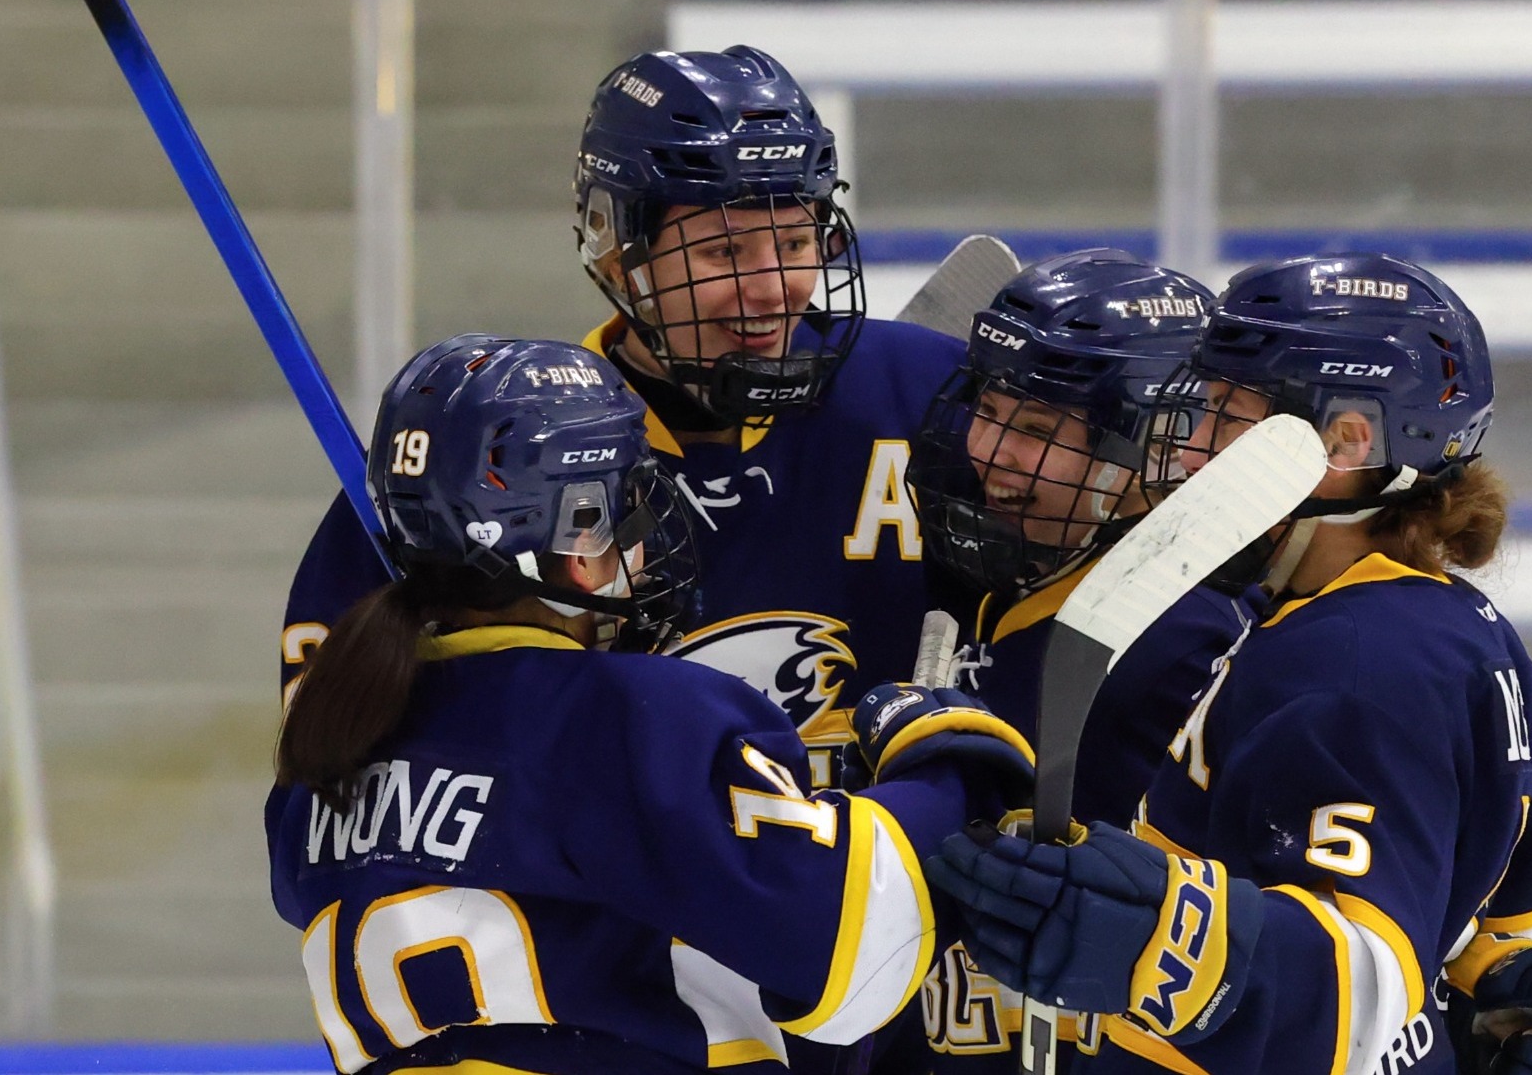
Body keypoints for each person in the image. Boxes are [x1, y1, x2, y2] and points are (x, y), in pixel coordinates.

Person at [923, 254, 1532, 1075]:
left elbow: (1358, 998)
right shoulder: (1415, 623)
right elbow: (1507, 927)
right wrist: (1502, 988)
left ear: (1345, 442)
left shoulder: (1358, 664)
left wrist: (1159, 938)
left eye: (1224, 415)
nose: (1189, 450)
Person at [267, 336, 1034, 1075]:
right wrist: (946, 771)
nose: (647, 523)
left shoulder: (325, 756)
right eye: (629, 497)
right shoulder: (633, 717)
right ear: (578, 530)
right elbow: (860, 952)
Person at [283, 45, 969, 790]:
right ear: (617, 254)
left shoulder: (928, 393)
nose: (773, 288)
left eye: (797, 242)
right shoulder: (481, 454)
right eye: (725, 252)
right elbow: (330, 790)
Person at [900, 249, 1254, 1067]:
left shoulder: (1183, 638)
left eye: (1036, 431)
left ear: (1156, 447)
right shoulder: (1000, 576)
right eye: (988, 412)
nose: (993, 454)